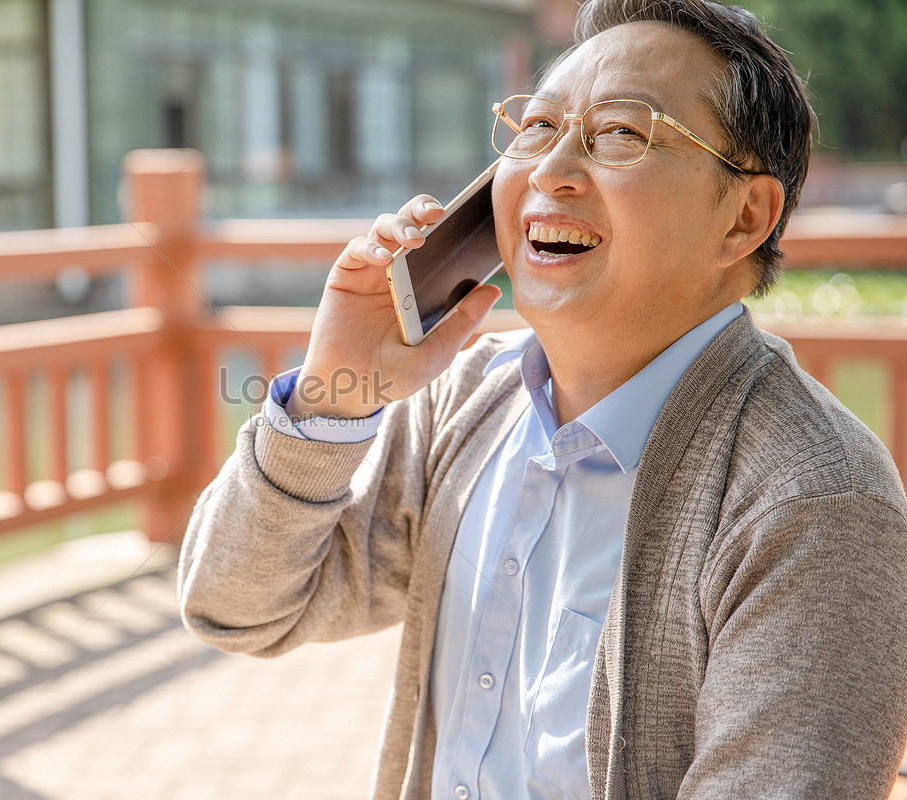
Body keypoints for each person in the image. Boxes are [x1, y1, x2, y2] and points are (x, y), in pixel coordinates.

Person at [177, 0, 907, 797]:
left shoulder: (816, 502)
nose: (552, 172)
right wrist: (332, 393)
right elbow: (235, 607)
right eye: (537, 127)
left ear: (744, 218)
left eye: (622, 133)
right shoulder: (466, 399)